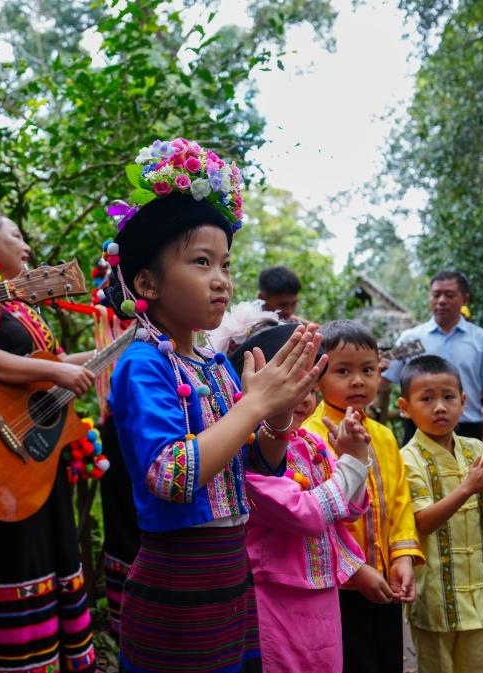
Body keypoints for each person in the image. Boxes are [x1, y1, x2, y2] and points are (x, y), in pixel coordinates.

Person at [105, 137, 326, 672]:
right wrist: (253, 408)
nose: (222, 280)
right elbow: (173, 475)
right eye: (201, 262)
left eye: (225, 264)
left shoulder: (215, 365)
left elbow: (251, 466)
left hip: (229, 576)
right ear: (146, 283)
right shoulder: (142, 365)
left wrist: (275, 421)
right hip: (176, 585)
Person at [0, 212, 99, 672]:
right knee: (15, 561)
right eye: (16, 236)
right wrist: (56, 371)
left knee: (51, 554)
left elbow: (46, 365)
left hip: (37, 451)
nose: (26, 246)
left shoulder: (25, 308)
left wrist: (108, 351)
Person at [229, 323, 371, 673]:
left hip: (323, 593)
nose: (306, 397)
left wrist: (355, 457)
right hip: (275, 595)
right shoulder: (247, 451)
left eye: (312, 384)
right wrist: (353, 463)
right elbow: (305, 514)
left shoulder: (312, 443)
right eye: (295, 384)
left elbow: (349, 511)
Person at [302, 319, 424, 673]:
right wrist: (355, 571)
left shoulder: (384, 436)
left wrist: (402, 558)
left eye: (368, 370)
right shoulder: (310, 437)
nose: (358, 381)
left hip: (385, 578)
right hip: (336, 586)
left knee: (387, 659)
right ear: (318, 375)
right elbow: (317, 520)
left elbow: (401, 502)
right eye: (343, 370)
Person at [398, 355, 483, 673]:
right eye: (426, 398)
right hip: (435, 596)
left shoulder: (475, 450)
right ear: (405, 407)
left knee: (477, 666)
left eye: (448, 397)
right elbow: (422, 521)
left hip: (479, 589)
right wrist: (467, 488)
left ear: (464, 401)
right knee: (436, 667)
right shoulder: (407, 459)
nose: (439, 407)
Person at [382, 271, 483, 449]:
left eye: (449, 295)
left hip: (468, 430)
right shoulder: (410, 340)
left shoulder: (482, 340)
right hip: (418, 431)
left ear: (464, 299)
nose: (441, 300)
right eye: (436, 294)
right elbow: (383, 379)